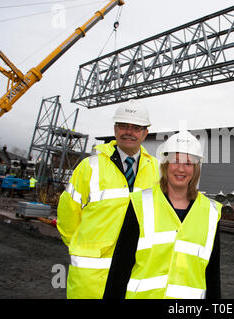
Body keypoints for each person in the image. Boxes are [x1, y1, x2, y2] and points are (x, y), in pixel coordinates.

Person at [57, 100, 160, 299]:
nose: (129, 132)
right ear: (115, 129)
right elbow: (67, 214)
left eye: (136, 127)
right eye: (123, 126)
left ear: (145, 133)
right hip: (92, 277)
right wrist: (81, 247)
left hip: (136, 273)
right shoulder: (90, 167)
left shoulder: (157, 170)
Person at [124, 131, 222, 299]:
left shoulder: (211, 212)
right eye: (175, 161)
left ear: (196, 168)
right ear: (165, 165)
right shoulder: (140, 203)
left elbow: (212, 275)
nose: (181, 169)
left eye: (188, 163)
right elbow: (121, 267)